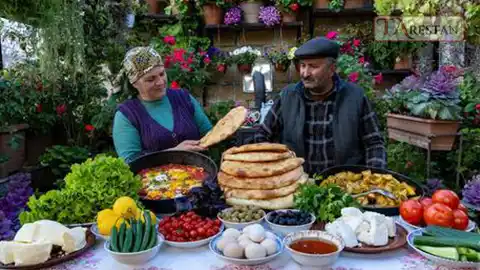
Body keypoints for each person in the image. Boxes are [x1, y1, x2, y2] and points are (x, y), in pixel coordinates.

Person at [248, 37, 386, 175]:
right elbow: (262, 135)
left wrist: (375, 179)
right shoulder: (287, 97)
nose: (305, 73)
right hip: (299, 187)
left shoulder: (355, 97)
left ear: (332, 69)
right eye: (303, 65)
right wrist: (271, 172)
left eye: (313, 66)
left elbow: (374, 144)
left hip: (345, 188)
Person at [112, 47, 212, 162]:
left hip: (200, 175)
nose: (160, 82)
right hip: (153, 179)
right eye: (151, 79)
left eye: (162, 74)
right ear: (134, 83)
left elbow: (209, 133)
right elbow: (130, 161)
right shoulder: (127, 115)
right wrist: (173, 153)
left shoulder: (183, 98)